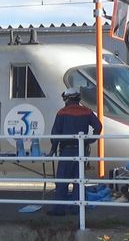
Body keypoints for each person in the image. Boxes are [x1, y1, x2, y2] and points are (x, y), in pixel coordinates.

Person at [47, 88, 102, 216]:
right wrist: (89, 140)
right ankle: (76, 208)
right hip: (81, 151)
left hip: (66, 151)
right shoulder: (87, 111)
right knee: (79, 181)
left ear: (67, 99)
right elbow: (98, 127)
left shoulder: (62, 112)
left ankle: (59, 210)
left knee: (62, 181)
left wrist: (52, 151)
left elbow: (55, 134)